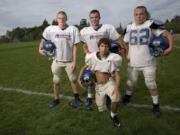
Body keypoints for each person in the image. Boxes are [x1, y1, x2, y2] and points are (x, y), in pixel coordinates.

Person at [122, 6, 173, 117]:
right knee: (130, 82)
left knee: (151, 84)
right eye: (136, 14)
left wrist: (170, 48)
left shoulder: (150, 24)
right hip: (133, 62)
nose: (139, 16)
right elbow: (125, 42)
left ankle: (155, 105)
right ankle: (127, 97)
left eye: (141, 14)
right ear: (133, 15)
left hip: (148, 62)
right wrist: (127, 54)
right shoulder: (129, 26)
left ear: (145, 15)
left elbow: (167, 34)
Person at [39, 11, 82, 109]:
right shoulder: (50, 29)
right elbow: (42, 42)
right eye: (59, 18)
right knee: (56, 80)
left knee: (73, 79)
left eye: (63, 18)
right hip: (57, 61)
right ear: (56, 19)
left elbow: (75, 47)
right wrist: (40, 50)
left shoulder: (73, 29)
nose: (61, 20)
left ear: (66, 19)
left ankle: (77, 97)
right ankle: (56, 99)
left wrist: (75, 61)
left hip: (69, 61)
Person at [80, 9, 122, 109]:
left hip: (106, 59)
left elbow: (117, 41)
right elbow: (84, 45)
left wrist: (119, 51)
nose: (94, 19)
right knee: (89, 78)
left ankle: (107, 96)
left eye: (96, 17)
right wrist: (87, 52)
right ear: (90, 19)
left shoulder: (107, 28)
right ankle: (90, 98)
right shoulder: (84, 31)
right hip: (93, 59)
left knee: (107, 77)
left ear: (99, 18)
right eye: (92, 17)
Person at [78, 38, 122, 127]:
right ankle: (106, 100)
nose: (104, 48)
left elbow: (117, 75)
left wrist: (116, 88)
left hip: (109, 82)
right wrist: (79, 77)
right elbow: (85, 66)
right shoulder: (92, 57)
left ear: (109, 47)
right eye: (102, 46)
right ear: (98, 47)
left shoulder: (114, 58)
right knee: (101, 108)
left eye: (106, 46)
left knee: (117, 98)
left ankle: (113, 115)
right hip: (98, 86)